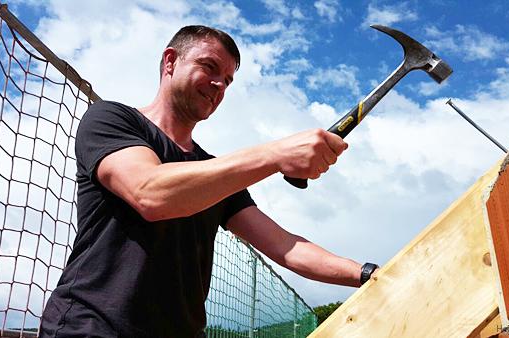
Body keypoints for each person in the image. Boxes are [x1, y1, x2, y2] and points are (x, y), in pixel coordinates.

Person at [39, 25, 379, 338]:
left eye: (228, 80)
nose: (220, 85)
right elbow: (151, 193)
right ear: (170, 62)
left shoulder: (213, 172)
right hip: (93, 327)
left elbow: (287, 248)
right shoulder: (112, 119)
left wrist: (367, 273)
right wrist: (274, 155)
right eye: (210, 67)